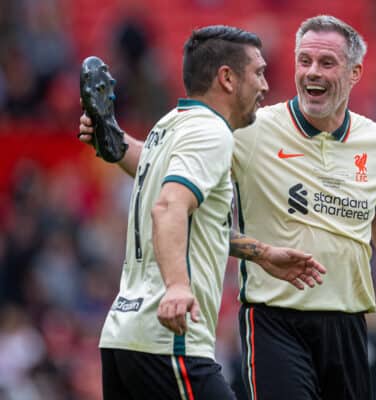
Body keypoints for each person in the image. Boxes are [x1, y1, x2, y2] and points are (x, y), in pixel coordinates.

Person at [80, 15, 376, 400]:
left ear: (355, 73)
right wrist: (114, 144)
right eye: (305, 61)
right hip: (273, 321)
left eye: (327, 63)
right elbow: (170, 172)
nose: (312, 72)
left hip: (348, 325)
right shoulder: (249, 128)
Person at [84, 25, 326, 400]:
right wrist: (178, 285)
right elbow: (168, 207)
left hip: (124, 338)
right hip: (169, 340)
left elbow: (193, 219)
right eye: (258, 72)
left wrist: (263, 254)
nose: (265, 85)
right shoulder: (212, 133)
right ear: (227, 78)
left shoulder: (169, 125)